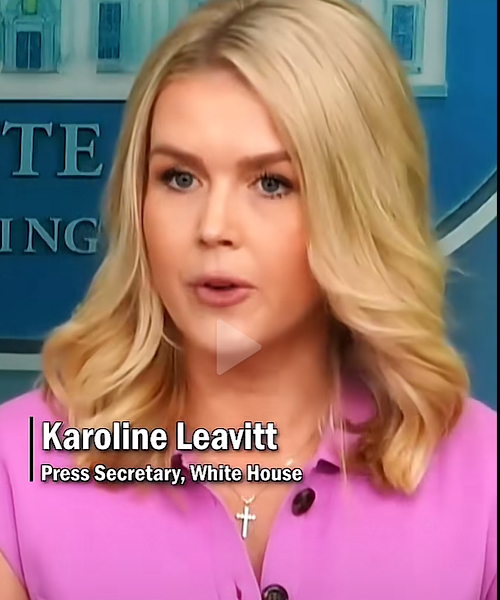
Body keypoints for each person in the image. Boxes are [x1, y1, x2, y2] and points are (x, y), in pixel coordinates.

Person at [0, 0, 497, 599]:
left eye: (271, 183)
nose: (213, 228)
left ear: (358, 208)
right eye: (180, 178)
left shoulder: (482, 477)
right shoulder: (18, 470)